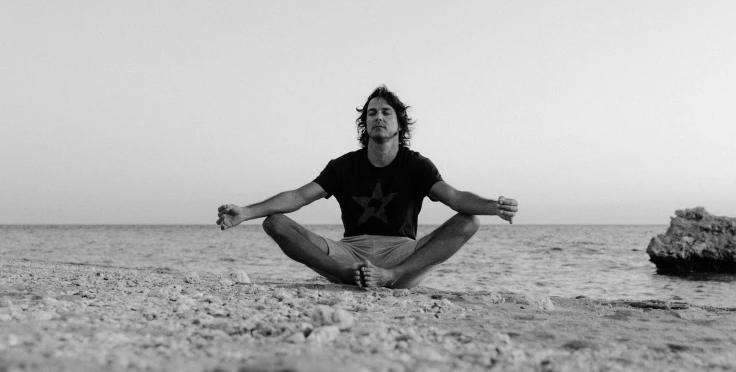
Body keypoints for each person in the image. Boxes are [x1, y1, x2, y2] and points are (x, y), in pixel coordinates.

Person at [216, 85, 518, 289]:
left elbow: (455, 198)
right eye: (372, 112)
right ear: (365, 124)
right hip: (349, 253)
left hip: (403, 255)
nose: (378, 117)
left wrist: (495, 206)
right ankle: (347, 275)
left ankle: (390, 277)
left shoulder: (416, 165)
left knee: (468, 222)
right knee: (276, 223)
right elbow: (298, 196)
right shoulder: (344, 165)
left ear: (399, 123)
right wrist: (245, 211)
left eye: (386, 112)